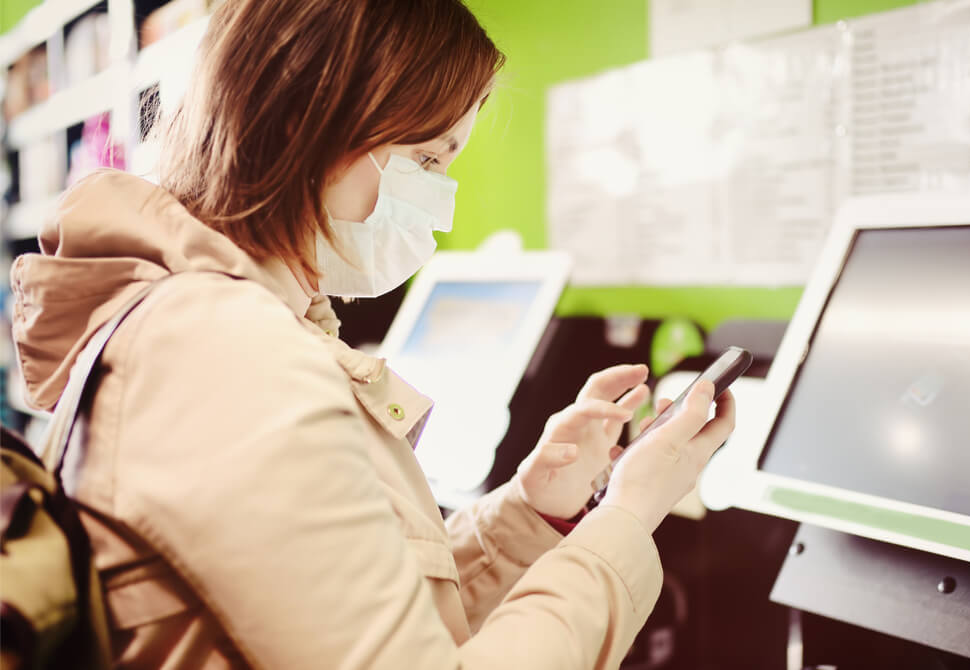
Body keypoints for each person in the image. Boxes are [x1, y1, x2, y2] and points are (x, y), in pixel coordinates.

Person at [9, 0, 736, 667]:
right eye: (427, 159)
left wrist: (531, 509)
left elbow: (364, 614)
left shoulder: (217, 327)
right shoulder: (225, 355)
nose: (441, 209)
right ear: (311, 122)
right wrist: (630, 514)